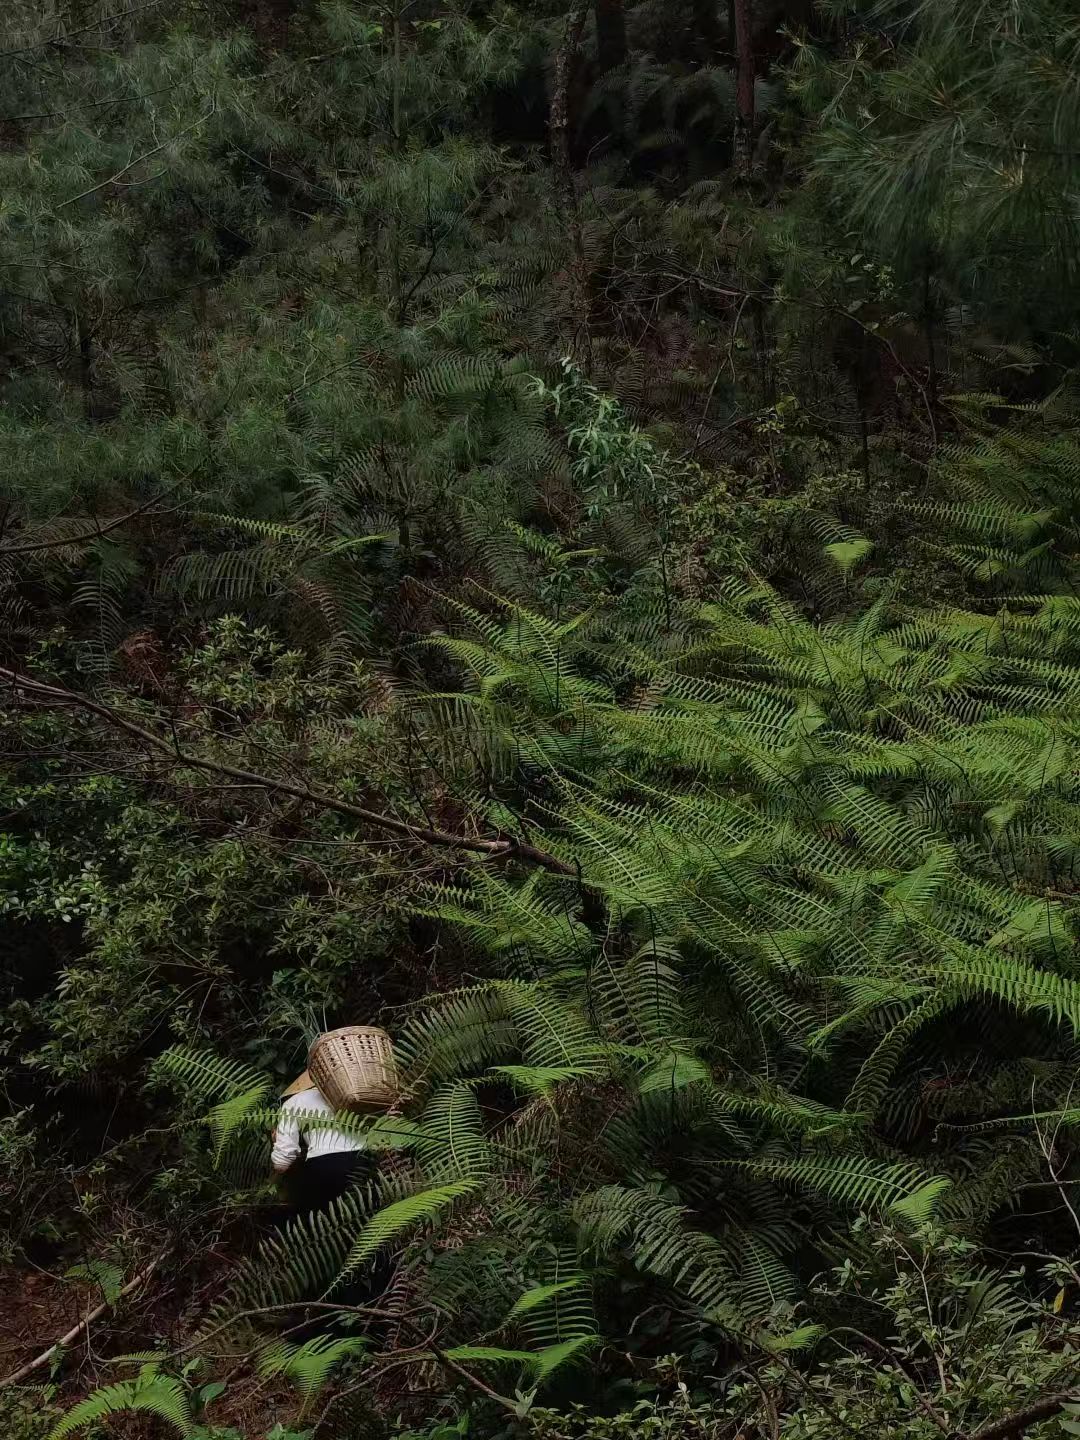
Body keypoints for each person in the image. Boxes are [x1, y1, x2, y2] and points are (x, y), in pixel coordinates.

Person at [271, 1070, 377, 1214]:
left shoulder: (294, 1101)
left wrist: (276, 1140)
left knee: (322, 1222)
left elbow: (282, 1163)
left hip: (325, 1167)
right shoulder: (358, 1095)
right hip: (366, 1161)